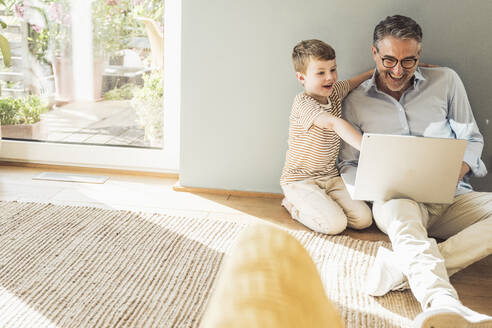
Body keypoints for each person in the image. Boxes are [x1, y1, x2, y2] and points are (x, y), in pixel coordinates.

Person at [338, 15, 492, 327]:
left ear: (419, 55)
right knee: (403, 220)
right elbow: (348, 164)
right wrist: (371, 190)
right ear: (374, 53)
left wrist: (455, 172)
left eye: (408, 61)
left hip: (451, 195)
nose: (398, 71)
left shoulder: (446, 81)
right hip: (396, 201)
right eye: (389, 60)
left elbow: (472, 139)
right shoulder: (356, 102)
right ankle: (442, 302)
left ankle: (400, 268)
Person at [280, 39, 373, 235]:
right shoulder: (302, 103)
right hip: (300, 180)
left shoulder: (335, 92)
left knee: (364, 220)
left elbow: (356, 81)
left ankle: (323, 205)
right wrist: (368, 148)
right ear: (301, 77)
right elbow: (333, 123)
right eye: (321, 73)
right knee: (335, 225)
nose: (330, 77)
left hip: (330, 177)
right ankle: (293, 207)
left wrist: (381, 70)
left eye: (333, 69)